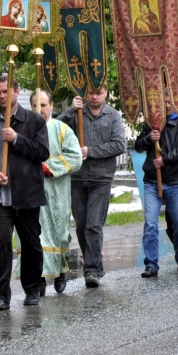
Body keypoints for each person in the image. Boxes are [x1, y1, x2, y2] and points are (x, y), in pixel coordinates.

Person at [0, 77, 50, 311]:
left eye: (5, 91)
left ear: (16, 92)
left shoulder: (34, 121)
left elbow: (43, 152)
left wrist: (16, 139)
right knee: (0, 243)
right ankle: (1, 295)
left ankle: (31, 289)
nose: (1, 96)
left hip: (26, 195)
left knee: (30, 243)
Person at [58, 83, 127, 287]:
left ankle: (92, 270)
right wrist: (71, 109)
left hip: (101, 178)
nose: (95, 97)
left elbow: (119, 144)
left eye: (99, 93)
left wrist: (90, 151)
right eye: (91, 93)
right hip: (77, 177)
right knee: (81, 226)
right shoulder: (76, 113)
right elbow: (53, 127)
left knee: (94, 225)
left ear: (106, 93)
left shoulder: (113, 116)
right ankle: (95, 263)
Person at [135, 106, 178, 277]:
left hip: (175, 180)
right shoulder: (150, 122)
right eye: (164, 101)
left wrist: (166, 160)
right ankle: (151, 264)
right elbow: (138, 146)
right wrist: (148, 138)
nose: (167, 105)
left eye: (169, 101)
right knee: (151, 224)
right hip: (152, 181)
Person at [32, 90, 82, 294]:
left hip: (57, 190)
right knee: (36, 234)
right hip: (33, 191)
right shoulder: (26, 129)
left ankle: (61, 271)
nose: (40, 109)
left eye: (43, 105)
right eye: (36, 105)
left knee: (59, 233)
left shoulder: (61, 129)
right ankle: (39, 278)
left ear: (51, 106)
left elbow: (76, 157)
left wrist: (49, 167)